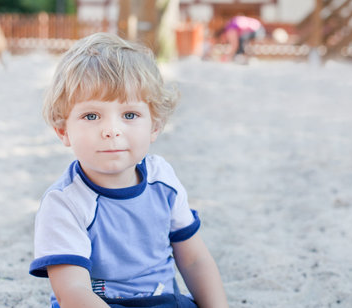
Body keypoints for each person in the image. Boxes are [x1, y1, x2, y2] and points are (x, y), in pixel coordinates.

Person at [29, 32, 229, 308]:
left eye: (129, 115)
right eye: (91, 116)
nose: (111, 130)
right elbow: (72, 291)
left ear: (154, 126)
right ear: (64, 131)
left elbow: (194, 259)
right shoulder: (64, 203)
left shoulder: (163, 181)